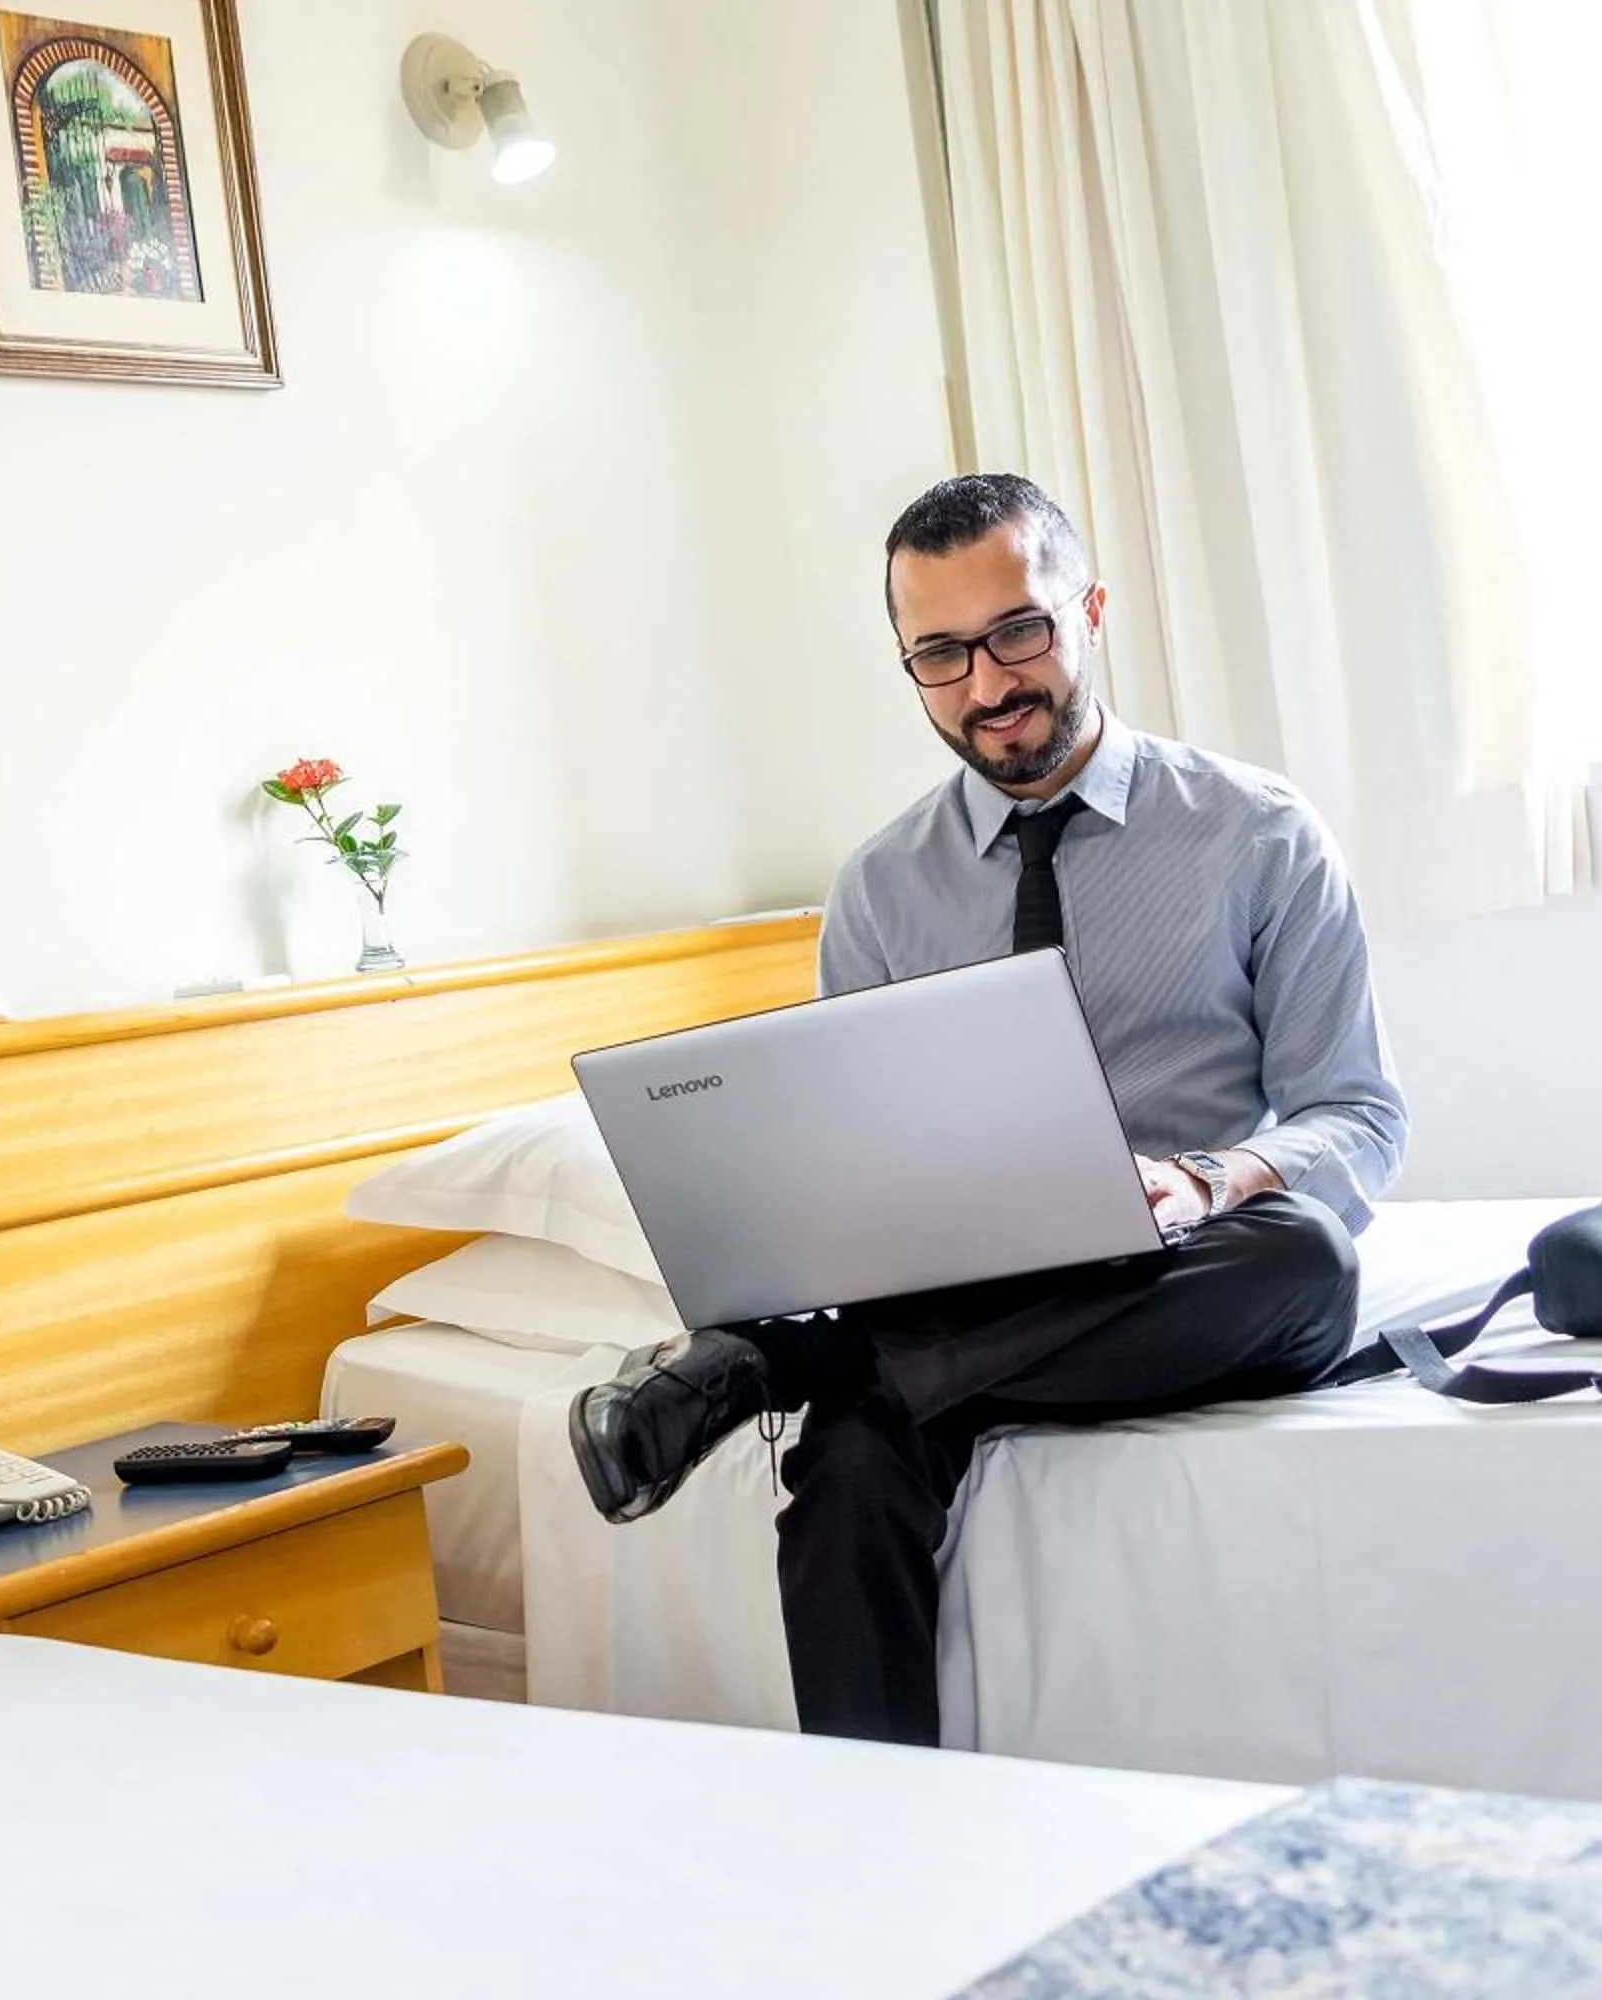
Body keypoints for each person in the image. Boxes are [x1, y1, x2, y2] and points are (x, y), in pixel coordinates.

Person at [566, 472, 1407, 1745]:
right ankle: (876, 1846)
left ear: (1092, 610)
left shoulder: (1257, 834)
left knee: (1305, 1259)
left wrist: (1205, 1178)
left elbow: (1356, 1117)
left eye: (1020, 630)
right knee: (847, 1468)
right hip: (975, 1295)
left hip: (1184, 1270)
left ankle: (800, 1366)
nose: (990, 683)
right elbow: (850, 1173)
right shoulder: (881, 889)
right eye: (942, 654)